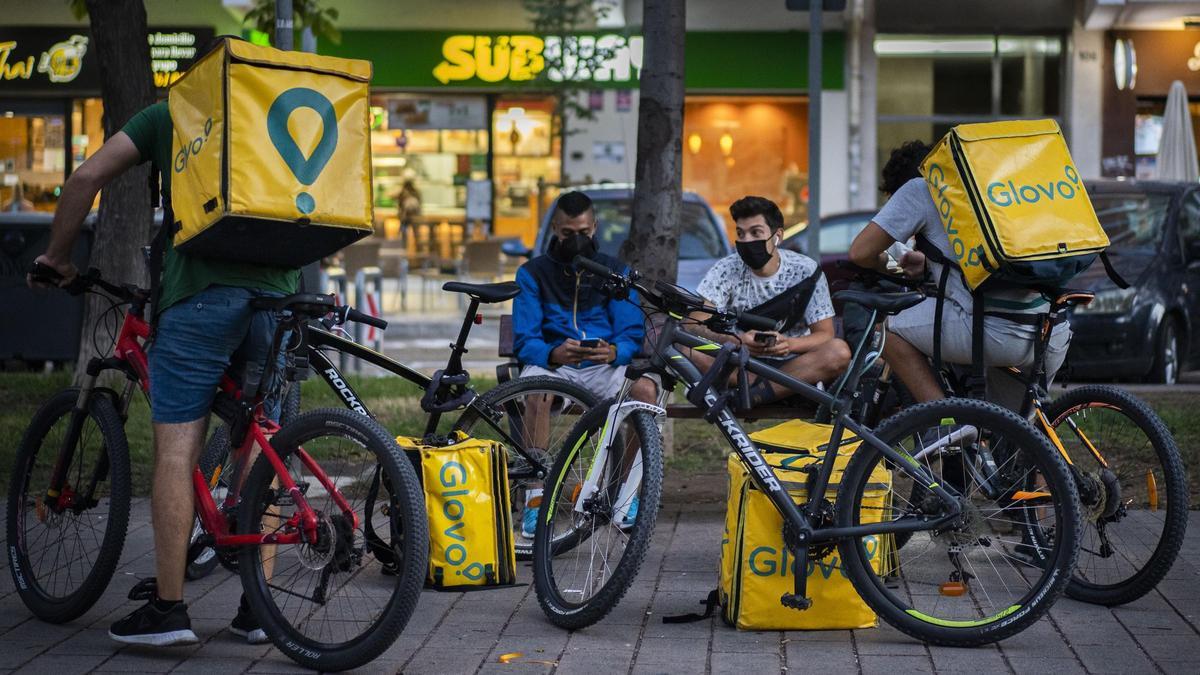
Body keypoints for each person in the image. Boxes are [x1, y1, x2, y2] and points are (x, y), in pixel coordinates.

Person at [28, 38, 294, 647]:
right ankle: (260, 609)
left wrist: (58, 257)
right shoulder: (272, 112)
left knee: (178, 447)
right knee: (264, 441)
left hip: (201, 295)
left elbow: (86, 176)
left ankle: (169, 609)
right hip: (278, 296)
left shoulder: (171, 112)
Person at [848, 140, 1073, 411]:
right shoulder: (990, 190)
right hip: (1051, 328)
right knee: (1009, 441)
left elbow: (861, 252)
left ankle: (945, 421)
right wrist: (929, 263)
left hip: (995, 332)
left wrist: (887, 266)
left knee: (889, 332)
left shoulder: (920, 188)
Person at [511, 190, 656, 537]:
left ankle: (624, 494)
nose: (576, 240)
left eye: (582, 232)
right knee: (537, 393)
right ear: (554, 230)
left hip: (602, 365)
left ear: (594, 228)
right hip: (554, 363)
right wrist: (553, 353)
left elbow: (630, 330)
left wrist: (615, 351)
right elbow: (525, 338)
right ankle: (535, 497)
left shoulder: (614, 272)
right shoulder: (532, 274)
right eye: (566, 234)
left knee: (645, 391)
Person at [688, 195, 850, 406]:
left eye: (755, 232)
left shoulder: (805, 270)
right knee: (688, 349)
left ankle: (753, 394)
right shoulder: (726, 268)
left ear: (777, 236)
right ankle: (768, 388)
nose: (746, 241)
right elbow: (696, 320)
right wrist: (737, 341)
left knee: (839, 352)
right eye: (740, 233)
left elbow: (825, 334)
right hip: (742, 361)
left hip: (795, 361)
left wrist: (789, 344)